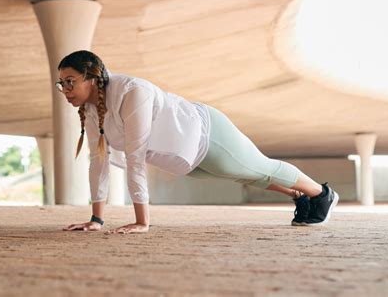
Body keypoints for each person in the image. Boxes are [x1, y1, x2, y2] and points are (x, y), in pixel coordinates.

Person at [59, 50, 339, 234]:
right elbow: (98, 161)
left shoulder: (132, 92)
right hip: (184, 155)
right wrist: (96, 220)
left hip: (205, 133)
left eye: (70, 81)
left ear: (92, 77)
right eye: (61, 84)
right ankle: (298, 195)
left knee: (258, 166)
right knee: (243, 174)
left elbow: (135, 156)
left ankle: (321, 195)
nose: (66, 90)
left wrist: (142, 222)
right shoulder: (91, 110)